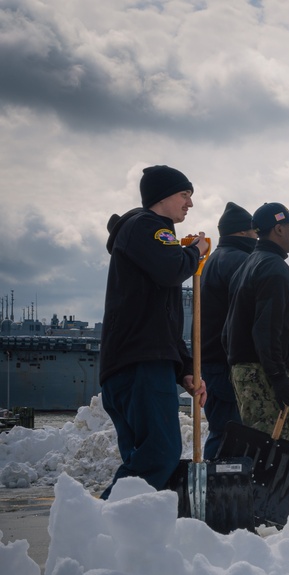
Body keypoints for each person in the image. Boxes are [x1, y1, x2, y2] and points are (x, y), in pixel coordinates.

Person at [99, 165, 208, 499]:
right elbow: (171, 269)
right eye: (184, 194)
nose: (190, 203)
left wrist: (184, 369)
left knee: (141, 459)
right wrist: (196, 251)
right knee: (159, 454)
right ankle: (100, 522)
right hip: (142, 365)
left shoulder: (142, 234)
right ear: (163, 196)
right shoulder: (149, 227)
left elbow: (161, 318)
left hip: (132, 363)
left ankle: (117, 538)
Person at [223, 202, 289, 442]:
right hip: (261, 372)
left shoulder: (248, 265)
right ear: (279, 229)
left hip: (243, 371)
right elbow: (267, 330)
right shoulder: (274, 269)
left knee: (259, 443)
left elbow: (229, 327)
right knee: (273, 446)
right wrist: (278, 378)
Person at [198, 202, 257, 460]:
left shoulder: (215, 259)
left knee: (223, 430)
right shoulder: (239, 260)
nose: (258, 237)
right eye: (255, 232)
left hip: (212, 361)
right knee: (230, 432)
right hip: (226, 363)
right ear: (243, 233)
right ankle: (216, 490)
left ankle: (216, 488)